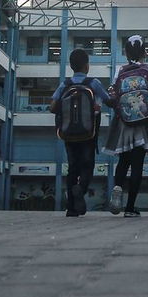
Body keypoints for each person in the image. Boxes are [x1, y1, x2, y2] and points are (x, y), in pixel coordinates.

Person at [49, 48, 110, 217]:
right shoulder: (93, 83)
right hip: (88, 133)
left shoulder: (65, 84)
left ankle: (71, 208)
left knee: (72, 167)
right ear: (86, 65)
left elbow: (52, 108)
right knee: (87, 166)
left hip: (69, 133)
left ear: (71, 66)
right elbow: (108, 100)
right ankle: (80, 189)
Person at [105, 34, 148, 217]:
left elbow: (113, 94)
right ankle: (130, 208)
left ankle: (118, 188)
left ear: (126, 53)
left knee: (123, 161)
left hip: (124, 123)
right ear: (145, 52)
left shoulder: (120, 70)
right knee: (137, 164)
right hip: (143, 124)